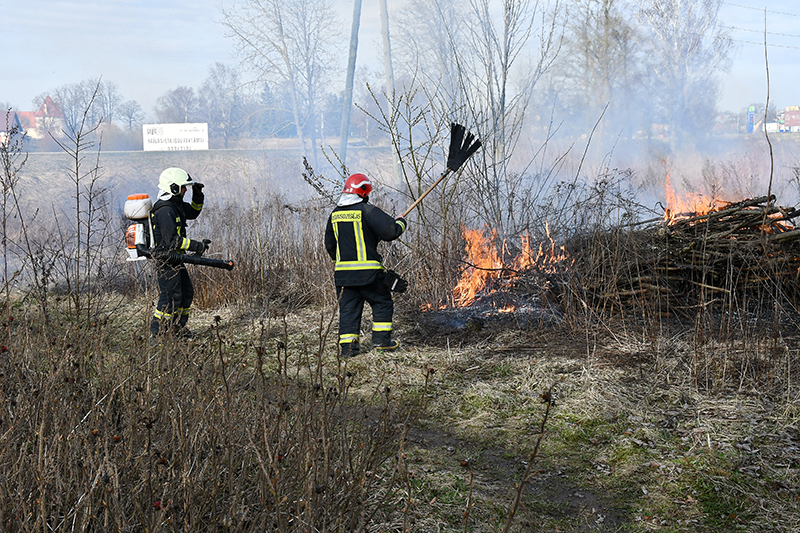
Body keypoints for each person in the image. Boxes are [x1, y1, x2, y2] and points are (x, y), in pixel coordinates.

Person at [324, 173, 407, 358]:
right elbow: (390, 232)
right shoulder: (367, 210)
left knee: (348, 311)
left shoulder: (334, 215)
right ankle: (381, 342)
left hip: (344, 277)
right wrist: (401, 222)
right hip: (369, 275)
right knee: (382, 303)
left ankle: (348, 350)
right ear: (363, 193)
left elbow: (330, 245)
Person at [149, 167, 209, 338]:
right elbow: (172, 241)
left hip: (175, 259)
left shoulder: (175, 205)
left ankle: (177, 329)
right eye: (183, 187)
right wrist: (196, 246)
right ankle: (158, 333)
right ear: (173, 187)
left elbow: (193, 212)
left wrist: (197, 195)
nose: (185, 190)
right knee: (170, 296)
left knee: (186, 292)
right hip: (166, 260)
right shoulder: (164, 210)